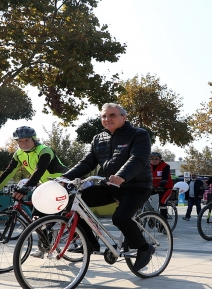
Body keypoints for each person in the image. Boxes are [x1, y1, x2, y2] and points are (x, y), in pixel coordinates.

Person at [61, 103, 155, 271]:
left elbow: (138, 159)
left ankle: (144, 248)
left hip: (136, 186)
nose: (107, 119)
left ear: (124, 117)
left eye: (112, 115)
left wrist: (122, 176)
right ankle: (89, 243)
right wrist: (64, 177)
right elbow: (87, 162)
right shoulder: (98, 138)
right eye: (104, 116)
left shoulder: (138, 134)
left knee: (120, 218)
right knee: (73, 202)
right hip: (109, 186)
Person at [0, 126, 68, 202]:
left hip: (62, 183)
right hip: (46, 186)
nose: (24, 143)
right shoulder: (19, 154)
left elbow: (39, 170)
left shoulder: (44, 151)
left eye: (27, 140)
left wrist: (27, 187)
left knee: (63, 216)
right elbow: (9, 171)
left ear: (34, 139)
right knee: (37, 216)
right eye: (20, 141)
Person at [149, 151, 173, 219]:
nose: (154, 160)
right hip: (153, 186)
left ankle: (164, 224)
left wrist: (161, 187)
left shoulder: (165, 166)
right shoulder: (147, 166)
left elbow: (165, 178)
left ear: (160, 159)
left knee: (162, 204)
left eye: (156, 159)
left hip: (166, 187)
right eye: (152, 159)